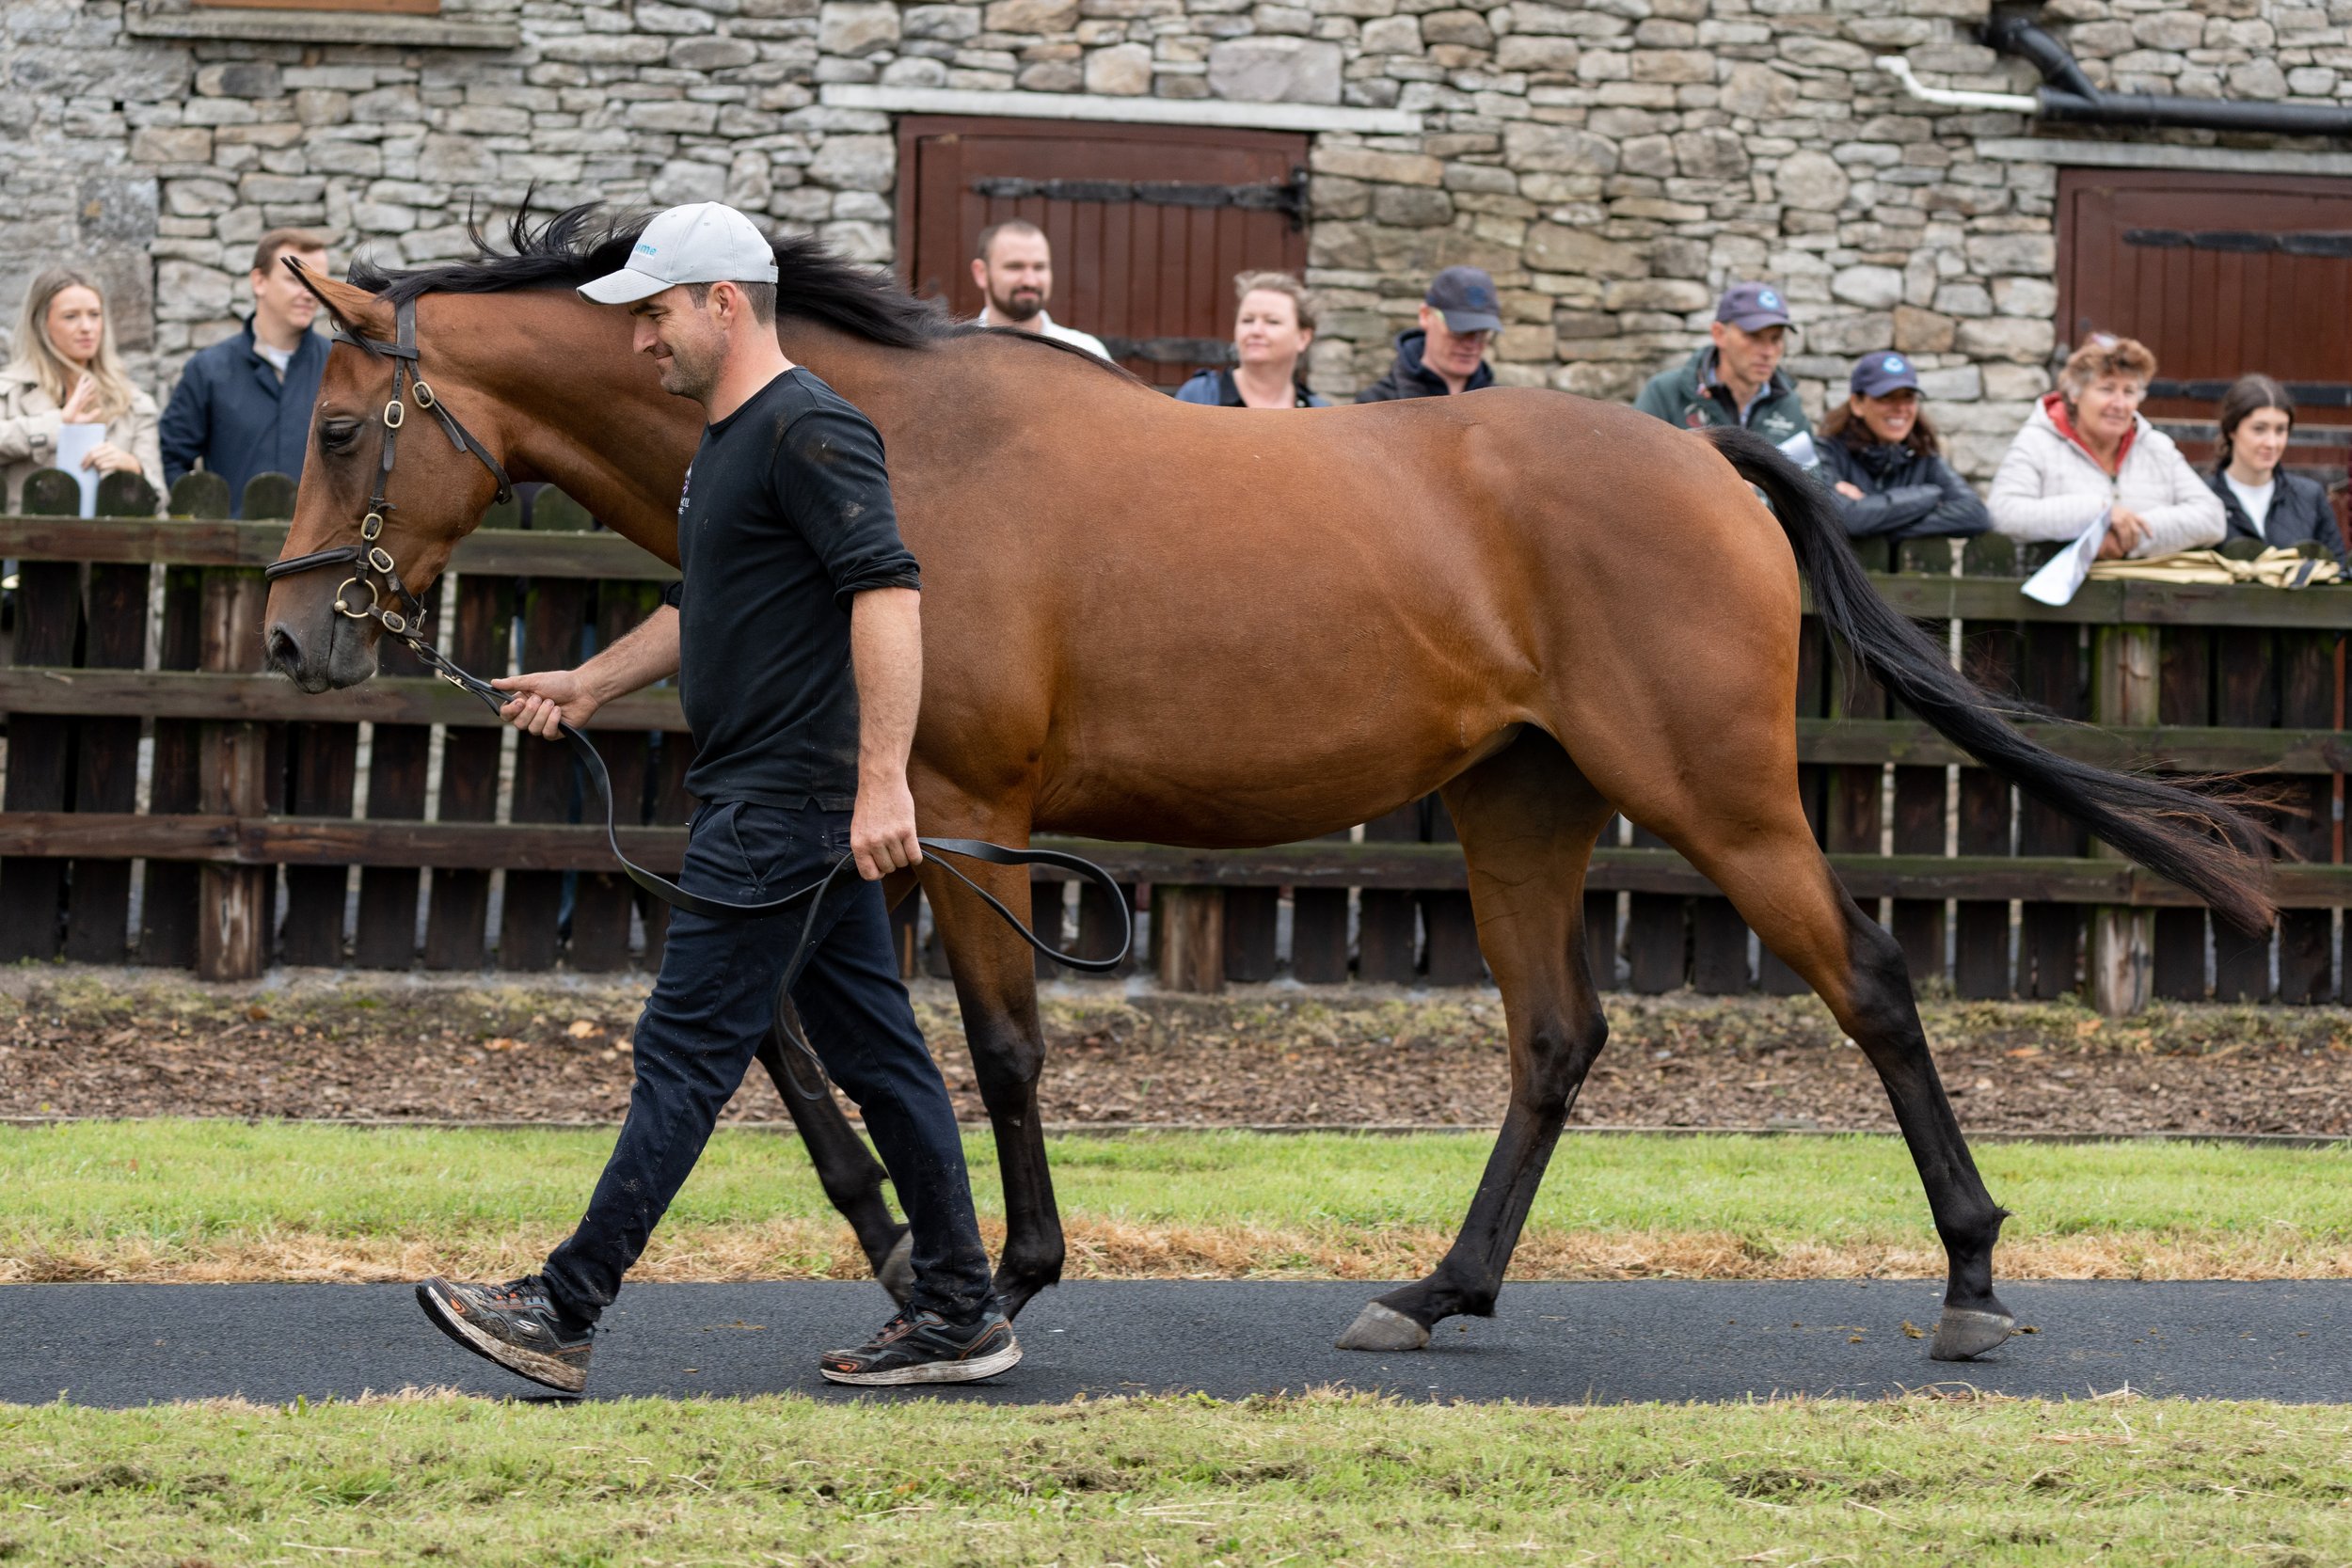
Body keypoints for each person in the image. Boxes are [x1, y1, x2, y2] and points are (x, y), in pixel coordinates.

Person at [413, 202, 1017, 1393]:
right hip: (774, 796)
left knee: (684, 1049)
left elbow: (887, 595)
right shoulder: (728, 444)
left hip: (786, 803)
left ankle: (562, 1305)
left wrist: (884, 779)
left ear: (723, 303)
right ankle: (960, 1309)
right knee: (880, 1053)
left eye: (655, 313)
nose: (642, 340)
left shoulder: (812, 430)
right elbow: (707, 607)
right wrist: (588, 681)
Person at [1987, 334, 2223, 560]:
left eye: (2129, 391)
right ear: (2075, 393)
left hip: (2147, 597)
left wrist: (2130, 535)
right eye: (2107, 389)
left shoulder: (2157, 448)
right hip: (2050, 595)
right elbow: (2004, 514)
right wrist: (2098, 513)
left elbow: (2212, 518)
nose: (2119, 404)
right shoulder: (2037, 443)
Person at [159, 229, 332, 515]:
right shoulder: (208, 371)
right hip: (226, 553)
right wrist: (205, 524)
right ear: (259, 281)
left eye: (318, 281)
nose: (309, 293)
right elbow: (173, 457)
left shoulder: (341, 367)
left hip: (321, 556)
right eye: (295, 279)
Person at [0, 267, 163, 511]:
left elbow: (161, 499)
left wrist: (133, 468)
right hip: (26, 544)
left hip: (108, 544)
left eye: (94, 315)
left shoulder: (134, 402)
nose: (87, 327)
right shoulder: (10, 391)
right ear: (42, 323)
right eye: (71, 316)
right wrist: (55, 425)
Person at [1814, 352, 1989, 540]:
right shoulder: (1826, 453)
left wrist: (1873, 521)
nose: (1900, 408)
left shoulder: (1924, 457)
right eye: (1886, 397)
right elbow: (1844, 518)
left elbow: (1975, 514)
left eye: (1908, 397)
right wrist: (1930, 494)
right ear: (1857, 404)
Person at [1632, 282, 1810, 449]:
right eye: (1754, 337)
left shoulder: (1788, 403)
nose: (1768, 352)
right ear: (1719, 334)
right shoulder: (1665, 392)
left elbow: (1812, 475)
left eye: (1776, 339)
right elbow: (1633, 463)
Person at [2205, 374, 2345, 566]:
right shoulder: (2202, 497)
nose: (2272, 443)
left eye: (2280, 430)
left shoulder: (2310, 497)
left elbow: (2338, 572)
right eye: (2259, 429)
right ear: (2232, 430)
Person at [1174, 272, 1330, 408]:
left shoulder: (1317, 411)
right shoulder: (1199, 396)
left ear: (1303, 338)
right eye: (1247, 320)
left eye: (1272, 321)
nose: (1255, 331)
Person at [970, 219, 1110, 360]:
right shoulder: (959, 355)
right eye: (1015, 267)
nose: (1030, 281)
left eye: (1039, 267)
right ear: (981, 273)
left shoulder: (1086, 353)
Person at [1357, 265, 1498, 402]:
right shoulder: (1376, 405)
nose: (1471, 344)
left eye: (1482, 332)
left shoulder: (1502, 407)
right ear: (1425, 315)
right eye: (1459, 331)